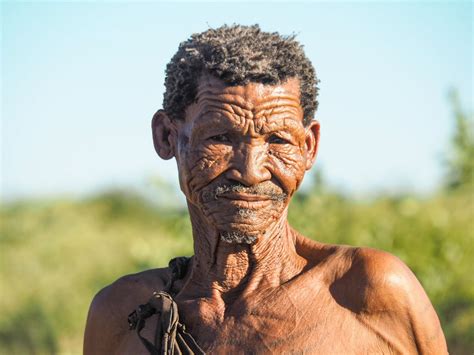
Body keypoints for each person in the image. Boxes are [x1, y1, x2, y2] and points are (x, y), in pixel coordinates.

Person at [84, 25, 448, 354]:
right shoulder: (125, 315)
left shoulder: (369, 293)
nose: (250, 171)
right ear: (166, 136)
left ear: (309, 147)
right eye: (220, 138)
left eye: (278, 140)